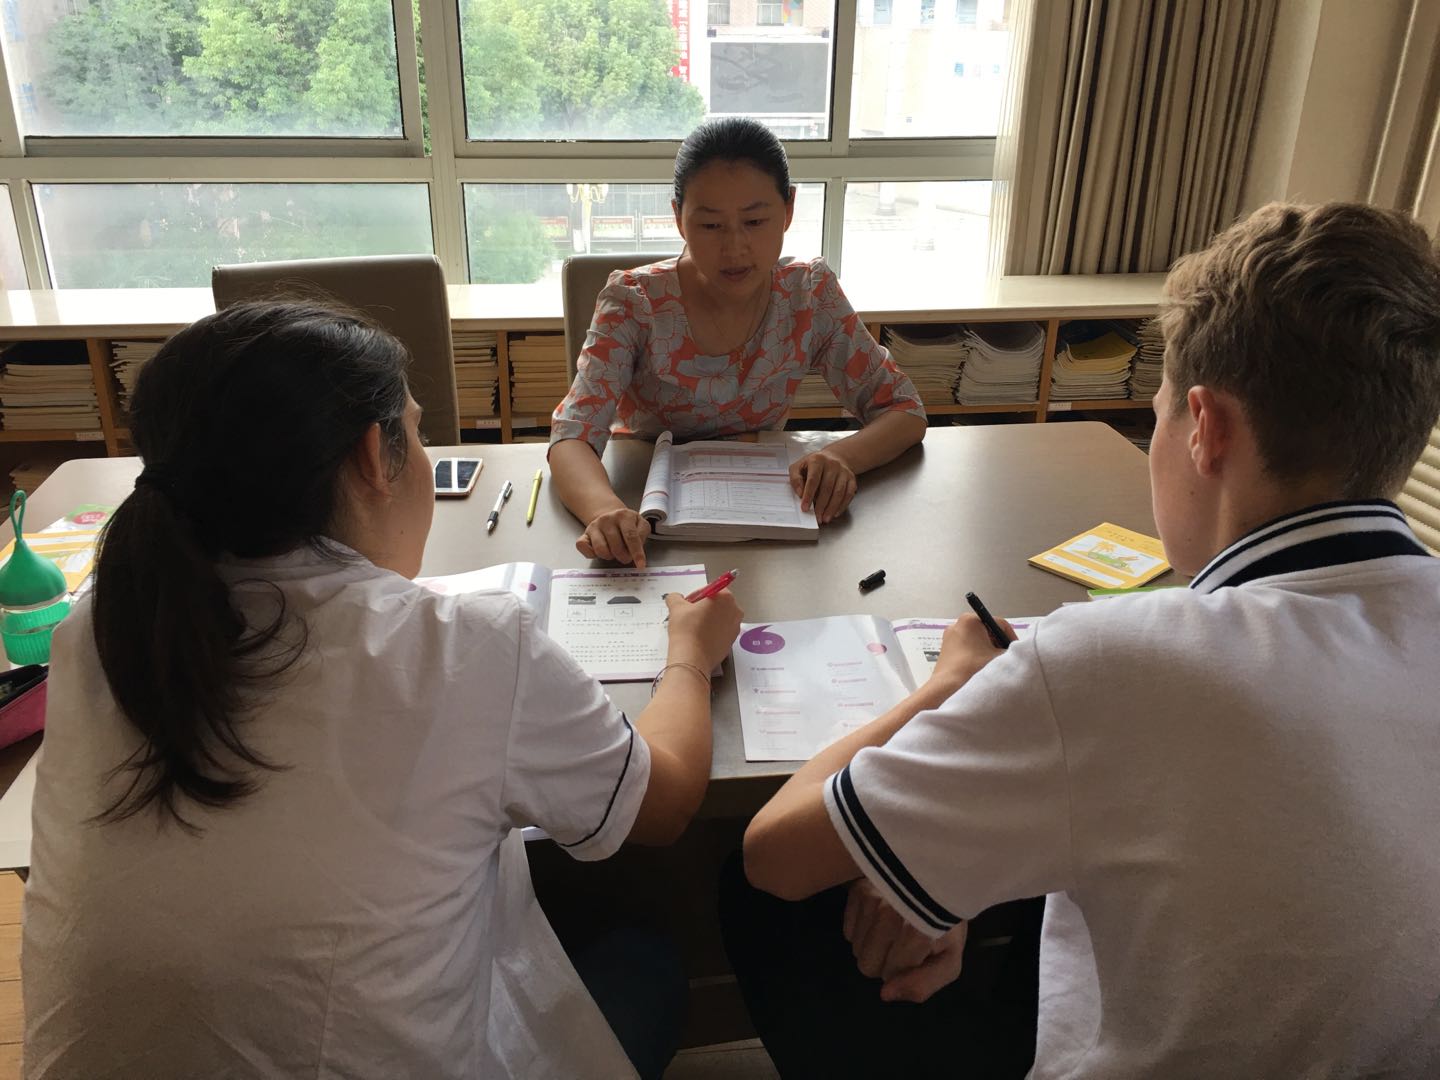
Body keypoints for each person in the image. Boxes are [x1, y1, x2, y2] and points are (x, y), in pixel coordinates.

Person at [736, 202, 1440, 1078]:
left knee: (763, 900)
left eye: (1157, 414)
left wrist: (949, 686)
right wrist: (964, 872)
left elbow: (777, 852)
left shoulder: (1118, 661)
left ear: (1205, 429)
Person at [22, 300, 742, 1079]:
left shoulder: (102, 630)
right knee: (640, 954)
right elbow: (662, 804)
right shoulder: (468, 648)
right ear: (374, 455)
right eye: (418, 433)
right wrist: (689, 655)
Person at [550, 117, 927, 568]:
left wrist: (838, 456)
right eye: (711, 225)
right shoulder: (634, 302)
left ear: (788, 210)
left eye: (754, 221)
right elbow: (572, 435)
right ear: (679, 218)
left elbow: (904, 410)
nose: (734, 247)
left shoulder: (809, 294)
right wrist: (604, 511)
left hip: (770, 521)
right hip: (646, 521)